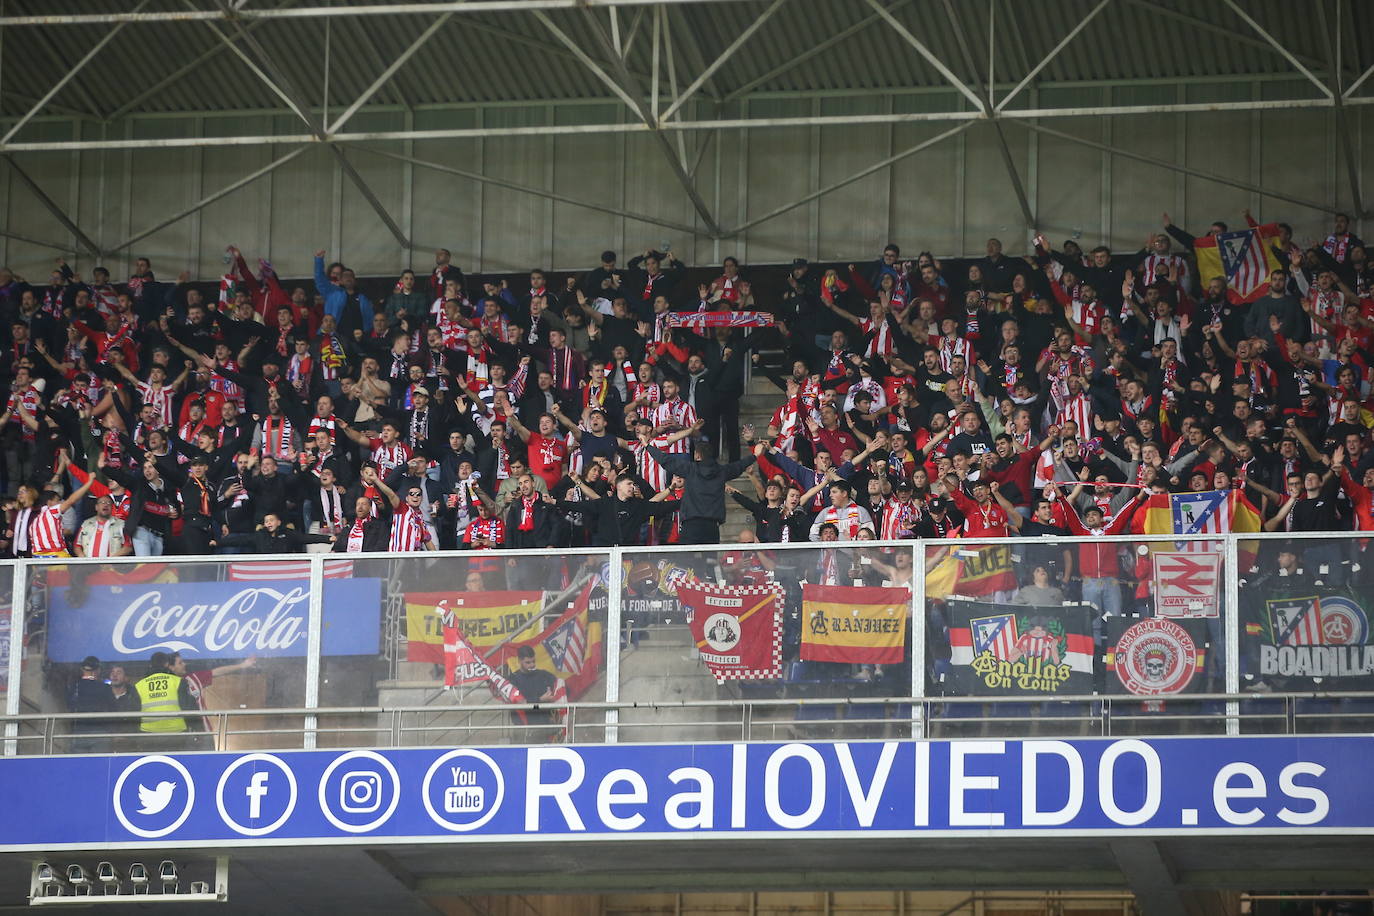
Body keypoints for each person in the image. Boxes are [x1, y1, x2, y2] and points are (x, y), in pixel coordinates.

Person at [645, 436, 760, 544]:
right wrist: (755, 455)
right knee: (709, 563)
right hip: (712, 527)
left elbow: (666, 461)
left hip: (690, 525)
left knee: (688, 563)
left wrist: (647, 446)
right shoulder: (722, 471)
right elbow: (739, 465)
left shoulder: (690, 469)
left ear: (697, 455)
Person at [131, 651, 200, 751]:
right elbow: (188, 707)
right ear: (167, 664)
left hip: (148, 734)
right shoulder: (178, 681)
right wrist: (197, 729)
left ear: (150, 665)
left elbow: (133, 712)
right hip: (176, 733)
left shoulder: (139, 685)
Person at [505, 645, 559, 744]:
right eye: (528, 662)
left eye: (533, 661)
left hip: (544, 728)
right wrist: (540, 700)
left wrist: (553, 696)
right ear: (519, 661)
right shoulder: (513, 679)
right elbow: (521, 704)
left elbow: (559, 686)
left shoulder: (544, 675)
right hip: (523, 729)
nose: (532, 665)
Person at [68, 655, 116, 753]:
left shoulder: (74, 687)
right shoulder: (104, 688)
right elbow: (113, 708)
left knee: (79, 766)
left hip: (78, 731)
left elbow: (69, 705)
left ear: (82, 669)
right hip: (100, 732)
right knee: (99, 765)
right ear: (97, 670)